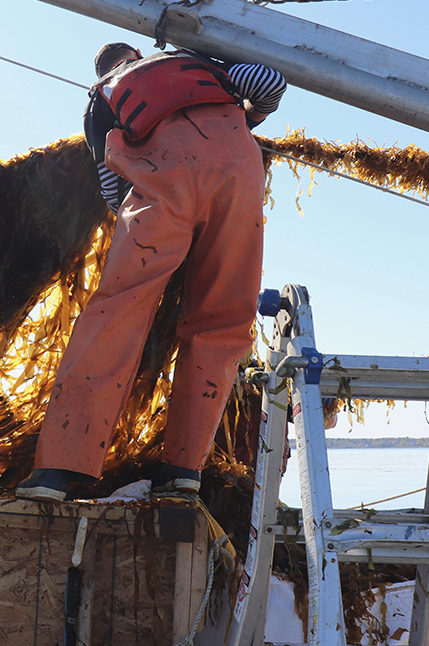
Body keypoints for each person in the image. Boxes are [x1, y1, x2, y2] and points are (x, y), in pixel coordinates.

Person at [16, 42, 286, 501]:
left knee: (116, 313)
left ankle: (61, 470)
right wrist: (248, 116)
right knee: (222, 322)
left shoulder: (101, 99)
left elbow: (110, 187)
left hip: (163, 185)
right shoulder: (192, 60)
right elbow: (269, 83)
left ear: (101, 70)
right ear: (138, 50)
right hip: (238, 178)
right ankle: (183, 470)